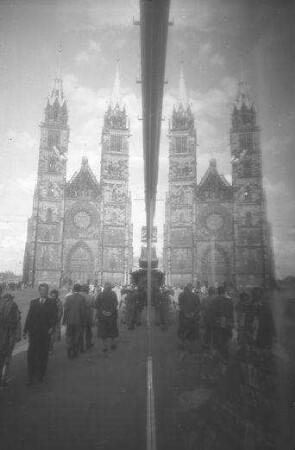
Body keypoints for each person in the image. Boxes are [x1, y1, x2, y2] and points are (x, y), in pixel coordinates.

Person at [23, 283, 57, 385]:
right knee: (31, 355)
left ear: (47, 291)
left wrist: (52, 327)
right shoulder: (33, 302)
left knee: (43, 354)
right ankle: (31, 376)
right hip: (34, 333)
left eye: (45, 290)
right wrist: (25, 330)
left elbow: (54, 317)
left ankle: (40, 375)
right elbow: (29, 317)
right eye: (42, 290)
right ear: (39, 291)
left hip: (45, 333)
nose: (43, 292)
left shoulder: (52, 303)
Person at [0, 293, 21, 389]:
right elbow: (17, 321)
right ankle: (3, 379)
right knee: (7, 358)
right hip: (8, 336)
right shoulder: (13, 305)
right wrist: (18, 335)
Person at [63, 283, 86, 359]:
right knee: (76, 336)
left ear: (73, 289)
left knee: (69, 336)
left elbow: (65, 310)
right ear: (79, 289)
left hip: (69, 320)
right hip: (78, 321)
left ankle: (69, 350)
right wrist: (83, 321)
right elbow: (83, 311)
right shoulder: (82, 298)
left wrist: (64, 320)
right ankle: (75, 351)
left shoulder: (68, 298)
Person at [94, 282, 118, 352]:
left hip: (102, 316)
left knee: (103, 331)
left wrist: (100, 313)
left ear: (104, 287)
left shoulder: (100, 294)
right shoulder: (113, 294)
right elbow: (115, 304)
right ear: (110, 287)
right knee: (112, 330)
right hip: (112, 315)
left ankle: (104, 346)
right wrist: (110, 311)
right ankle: (112, 344)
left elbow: (96, 306)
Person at [211, 285, 234, 359]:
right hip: (227, 321)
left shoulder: (215, 300)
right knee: (226, 338)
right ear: (224, 292)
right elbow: (231, 312)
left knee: (217, 337)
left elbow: (213, 312)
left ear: (218, 292)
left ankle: (216, 355)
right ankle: (225, 353)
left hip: (218, 321)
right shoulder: (229, 300)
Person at [178, 283, 200, 348]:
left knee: (183, 330)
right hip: (193, 316)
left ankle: (183, 344)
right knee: (193, 330)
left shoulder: (181, 295)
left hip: (184, 315)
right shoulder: (195, 296)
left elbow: (180, 305)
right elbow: (198, 306)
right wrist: (194, 313)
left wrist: (185, 312)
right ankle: (192, 345)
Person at [49, 289, 63, 354]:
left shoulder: (58, 302)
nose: (53, 297)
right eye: (52, 296)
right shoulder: (48, 301)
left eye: (54, 296)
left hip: (54, 322)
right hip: (48, 322)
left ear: (56, 296)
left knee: (52, 336)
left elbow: (60, 312)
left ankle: (50, 349)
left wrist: (56, 320)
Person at [80, 284, 94, 351]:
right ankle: (88, 344)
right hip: (88, 316)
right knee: (88, 332)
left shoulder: (79, 296)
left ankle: (81, 346)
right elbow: (94, 306)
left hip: (80, 317)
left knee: (81, 332)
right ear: (88, 289)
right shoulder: (91, 297)